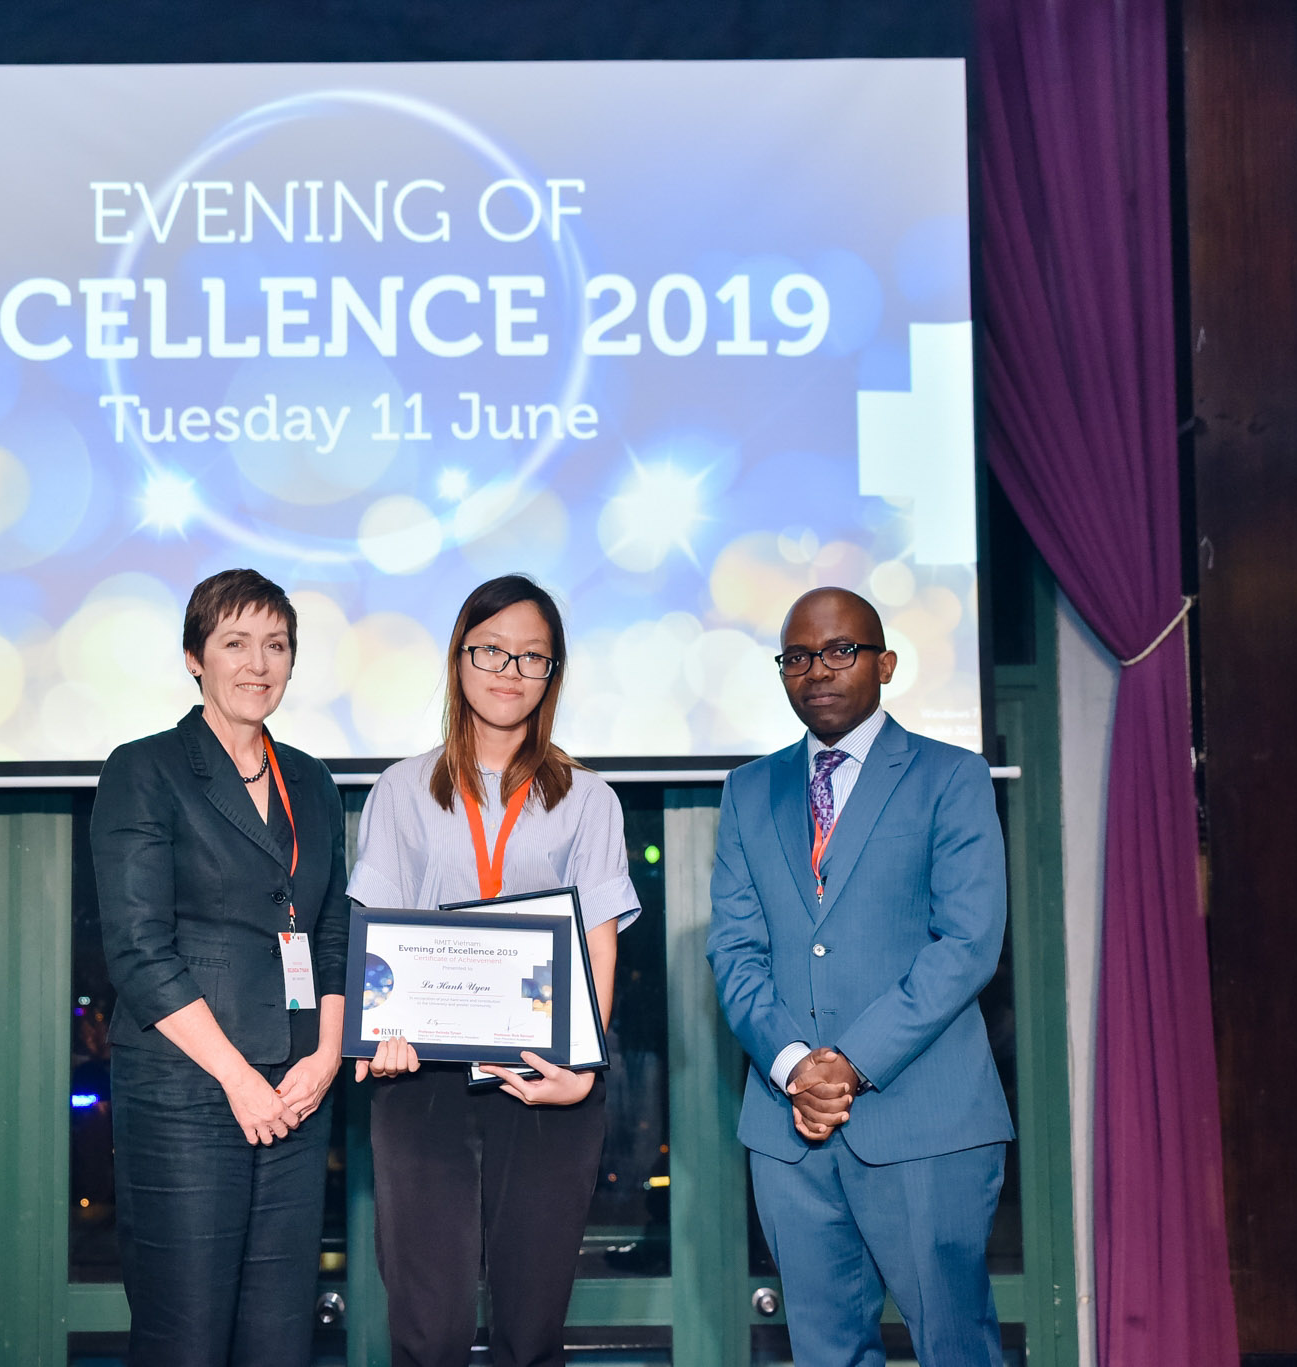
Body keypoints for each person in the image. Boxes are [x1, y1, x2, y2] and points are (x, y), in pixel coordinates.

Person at [705, 587, 1014, 1367]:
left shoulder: (952, 775)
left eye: (840, 650)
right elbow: (736, 953)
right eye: (798, 656)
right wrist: (793, 1067)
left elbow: (969, 942)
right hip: (788, 1130)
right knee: (825, 1353)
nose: (818, 669)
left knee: (954, 1347)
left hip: (928, 1123)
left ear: (885, 663)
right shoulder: (748, 790)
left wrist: (849, 1061)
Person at [348, 574, 640, 1367]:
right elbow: (375, 931)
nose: (509, 669)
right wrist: (381, 1035)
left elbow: (601, 940)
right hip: (422, 1083)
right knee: (429, 1332)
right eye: (491, 650)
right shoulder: (402, 788)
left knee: (531, 1329)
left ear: (553, 674)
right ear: (459, 658)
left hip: (544, 1077)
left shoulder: (588, 797)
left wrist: (583, 1067)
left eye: (532, 657)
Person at [90, 568, 349, 1367]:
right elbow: (138, 949)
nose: (258, 662)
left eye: (276, 645)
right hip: (189, 1092)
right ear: (195, 657)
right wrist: (240, 1079)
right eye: (235, 642)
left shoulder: (311, 778)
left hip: (297, 1092)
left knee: (280, 1339)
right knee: (186, 1337)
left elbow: (333, 925)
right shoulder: (146, 768)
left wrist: (327, 1053)